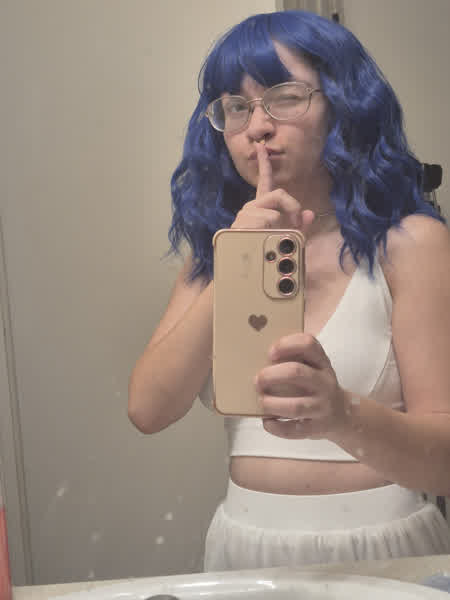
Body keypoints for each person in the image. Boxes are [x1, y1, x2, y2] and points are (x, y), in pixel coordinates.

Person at [128, 10, 450, 571]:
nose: (257, 126)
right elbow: (148, 410)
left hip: (384, 551)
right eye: (236, 107)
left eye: (284, 97)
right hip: (242, 549)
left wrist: (341, 414)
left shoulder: (410, 245)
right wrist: (235, 263)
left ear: (345, 105)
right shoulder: (214, 253)